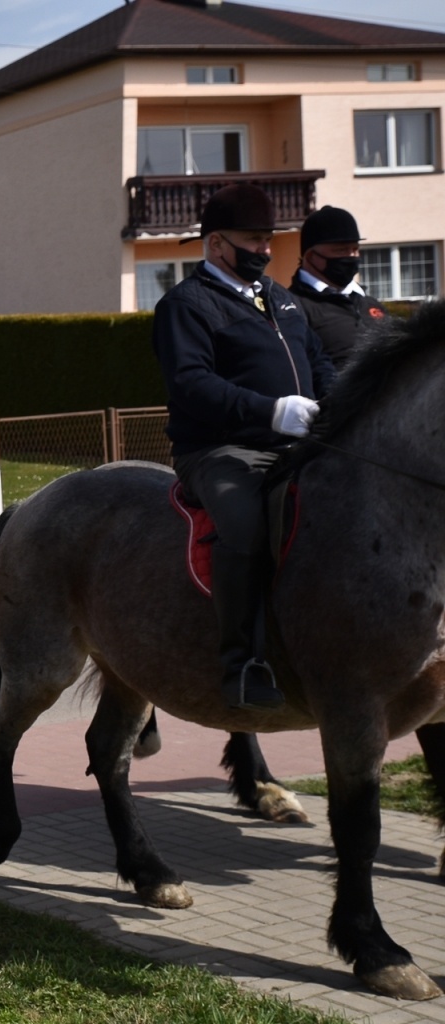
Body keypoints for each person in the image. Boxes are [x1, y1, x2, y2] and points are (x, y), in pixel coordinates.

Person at [153, 183, 333, 712]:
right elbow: (190, 384)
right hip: (221, 450)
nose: (264, 250)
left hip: (298, 442)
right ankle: (243, 664)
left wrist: (341, 402)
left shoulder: (281, 299)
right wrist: (270, 411)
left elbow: (318, 361)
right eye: (252, 241)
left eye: (268, 240)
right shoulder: (185, 306)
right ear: (215, 245)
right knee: (247, 527)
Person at [289, 205, 388, 371]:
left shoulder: (370, 304)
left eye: (355, 249)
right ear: (311, 256)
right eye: (341, 250)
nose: (351, 256)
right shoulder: (292, 306)